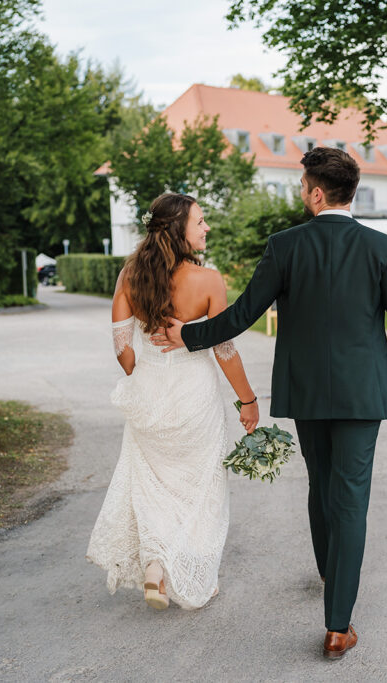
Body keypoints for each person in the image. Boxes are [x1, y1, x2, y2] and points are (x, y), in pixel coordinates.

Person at [152, 147, 387, 658]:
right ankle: (338, 623)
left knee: (322, 482)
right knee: (349, 494)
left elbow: (240, 315)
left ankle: (330, 572)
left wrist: (187, 336)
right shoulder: (383, 248)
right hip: (362, 393)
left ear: (317, 193)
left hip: (305, 392)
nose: (301, 193)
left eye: (303, 186)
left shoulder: (285, 246)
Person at [86, 192, 260, 610]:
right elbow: (224, 350)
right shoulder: (208, 280)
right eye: (200, 222)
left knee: (154, 487)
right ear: (178, 228)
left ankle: (155, 567)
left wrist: (142, 373)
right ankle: (195, 579)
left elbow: (122, 348)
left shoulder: (130, 273)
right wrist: (247, 400)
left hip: (149, 394)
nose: (206, 228)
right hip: (193, 398)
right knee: (201, 489)